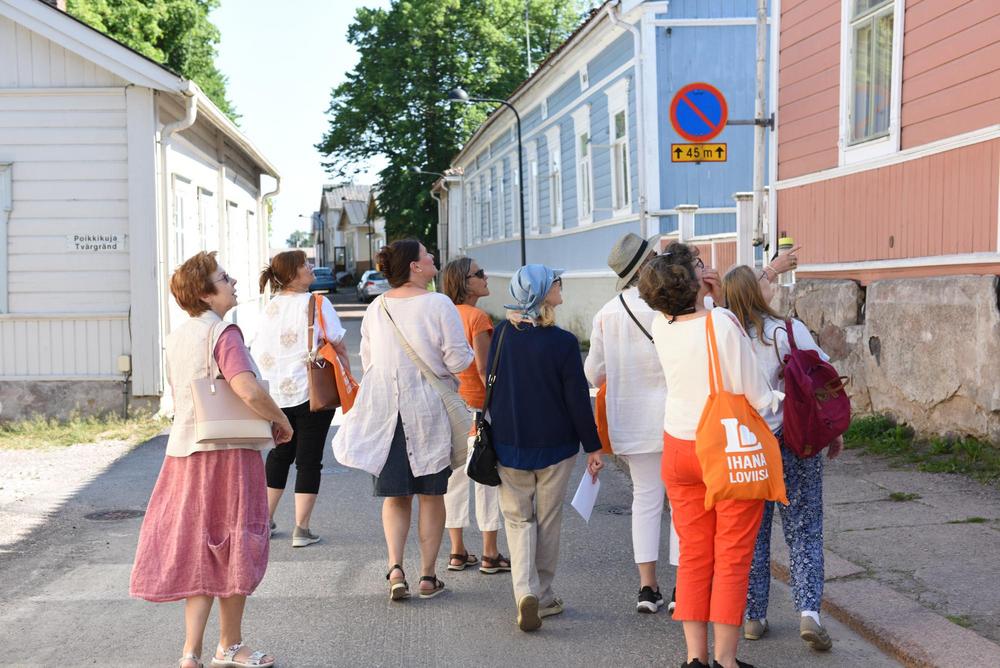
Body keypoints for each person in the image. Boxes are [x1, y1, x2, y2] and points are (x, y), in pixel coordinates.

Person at [130, 252, 293, 668]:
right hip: (228, 456)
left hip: (184, 454)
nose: (234, 280)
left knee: (200, 547)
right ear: (205, 292)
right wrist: (280, 420)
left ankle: (191, 651)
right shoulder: (224, 333)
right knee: (236, 542)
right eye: (224, 277)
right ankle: (231, 645)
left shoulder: (180, 336)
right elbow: (247, 390)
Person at [638, 242, 782, 668]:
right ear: (693, 280)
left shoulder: (659, 322)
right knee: (732, 556)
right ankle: (727, 660)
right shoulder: (721, 323)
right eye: (699, 264)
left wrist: (709, 300)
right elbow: (756, 392)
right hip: (724, 445)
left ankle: (695, 658)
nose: (708, 267)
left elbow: (694, 325)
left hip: (678, 445)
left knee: (695, 554)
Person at [332, 239, 474, 601]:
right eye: (427, 254)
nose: (432, 258)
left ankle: (396, 569)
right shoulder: (439, 303)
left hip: (385, 414)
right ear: (415, 266)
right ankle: (428, 576)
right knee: (431, 494)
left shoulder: (378, 306)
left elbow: (369, 359)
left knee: (395, 497)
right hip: (428, 411)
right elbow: (458, 361)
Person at [722, 265, 842, 652]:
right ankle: (809, 612)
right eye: (764, 279)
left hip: (748, 445)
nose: (770, 281)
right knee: (804, 528)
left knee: (753, 534)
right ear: (755, 292)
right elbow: (825, 376)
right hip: (796, 441)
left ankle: (753, 616)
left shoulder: (728, 335)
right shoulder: (789, 331)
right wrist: (833, 431)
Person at [487, 264, 605, 632]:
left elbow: (492, 386)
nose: (560, 285)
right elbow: (576, 401)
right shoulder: (564, 342)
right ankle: (545, 594)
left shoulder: (502, 334)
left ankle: (525, 592)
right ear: (541, 295)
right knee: (548, 520)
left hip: (509, 444)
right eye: (555, 282)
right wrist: (594, 447)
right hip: (556, 447)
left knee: (518, 519)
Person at [584, 232, 680, 614]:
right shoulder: (666, 306)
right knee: (680, 505)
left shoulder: (606, 313)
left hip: (630, 421)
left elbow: (594, 373)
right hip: (674, 418)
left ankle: (647, 588)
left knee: (645, 500)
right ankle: (681, 590)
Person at [252, 250, 348, 548]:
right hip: (311, 391)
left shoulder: (270, 307)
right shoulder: (317, 302)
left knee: (280, 454)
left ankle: (264, 522)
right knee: (309, 461)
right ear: (293, 274)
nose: (311, 268)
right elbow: (337, 340)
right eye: (306, 265)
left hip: (275, 394)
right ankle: (301, 530)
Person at [439, 257, 509, 575]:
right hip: (479, 408)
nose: (485, 276)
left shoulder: (443, 314)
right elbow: (484, 369)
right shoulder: (478, 318)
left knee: (454, 480)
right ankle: (490, 553)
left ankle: (456, 552)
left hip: (449, 407)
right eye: (479, 274)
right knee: (485, 478)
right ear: (465, 283)